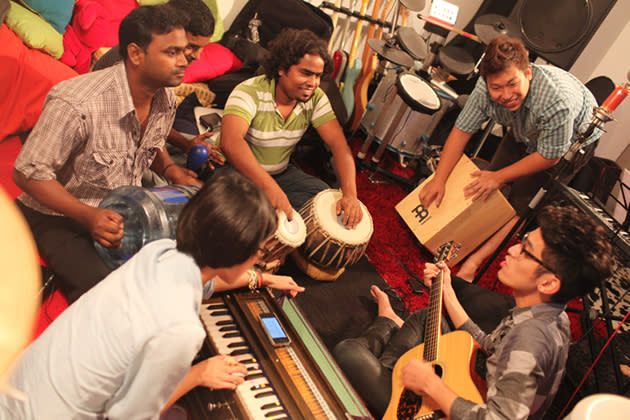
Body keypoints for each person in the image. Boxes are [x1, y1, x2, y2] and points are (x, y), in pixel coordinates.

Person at [0, 168, 305, 419]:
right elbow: (128, 416)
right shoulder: (182, 331)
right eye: (259, 251)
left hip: (15, 387)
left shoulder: (159, 251)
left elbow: (206, 278)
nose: (258, 258)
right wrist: (199, 374)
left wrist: (262, 279)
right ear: (238, 250)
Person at [334, 205, 612, 419]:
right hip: (476, 384)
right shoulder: (550, 313)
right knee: (426, 318)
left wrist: (432, 386)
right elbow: (491, 347)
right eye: (522, 240)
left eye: (526, 251)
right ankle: (391, 352)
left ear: (549, 282)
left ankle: (387, 332)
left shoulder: (531, 340)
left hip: (460, 408)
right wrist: (447, 292)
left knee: (349, 352)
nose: (512, 250)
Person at [13, 4, 200, 304]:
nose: (184, 61)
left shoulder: (164, 99)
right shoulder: (77, 103)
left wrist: (168, 168)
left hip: (124, 209)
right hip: (57, 215)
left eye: (184, 51)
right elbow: (27, 173)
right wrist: (88, 216)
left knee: (189, 255)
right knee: (110, 298)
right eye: (171, 52)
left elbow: (146, 145)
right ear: (136, 54)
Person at [419, 36, 602, 281]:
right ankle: (462, 239)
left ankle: (473, 264)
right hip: (522, 128)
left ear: (527, 72)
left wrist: (499, 176)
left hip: (569, 143)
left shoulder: (557, 100)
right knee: (485, 185)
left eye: (512, 83)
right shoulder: (484, 89)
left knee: (522, 203)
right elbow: (462, 131)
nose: (506, 94)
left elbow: (550, 156)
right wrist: (438, 179)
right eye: (497, 88)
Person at [220, 28, 363, 228]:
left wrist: (350, 195)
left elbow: (338, 145)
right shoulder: (248, 92)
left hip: (281, 174)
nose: (313, 83)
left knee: (322, 199)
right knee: (230, 208)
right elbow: (231, 142)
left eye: (318, 76)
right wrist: (270, 188)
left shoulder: (316, 98)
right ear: (281, 68)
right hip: (238, 173)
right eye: (306, 73)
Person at [93, 0, 225, 179]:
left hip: (143, 139)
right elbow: (141, 127)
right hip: (110, 151)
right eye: (192, 47)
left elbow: (154, 122)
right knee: (170, 192)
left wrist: (186, 145)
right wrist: (170, 169)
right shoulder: (133, 66)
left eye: (202, 48)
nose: (197, 56)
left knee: (207, 150)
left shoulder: (164, 68)